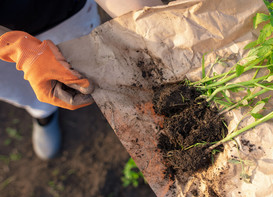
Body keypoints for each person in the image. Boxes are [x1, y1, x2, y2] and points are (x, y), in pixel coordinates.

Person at [0, 0, 164, 160]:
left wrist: (144, 19)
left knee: (80, 72)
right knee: (22, 91)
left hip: (61, 14)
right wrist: (15, 48)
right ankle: (43, 114)